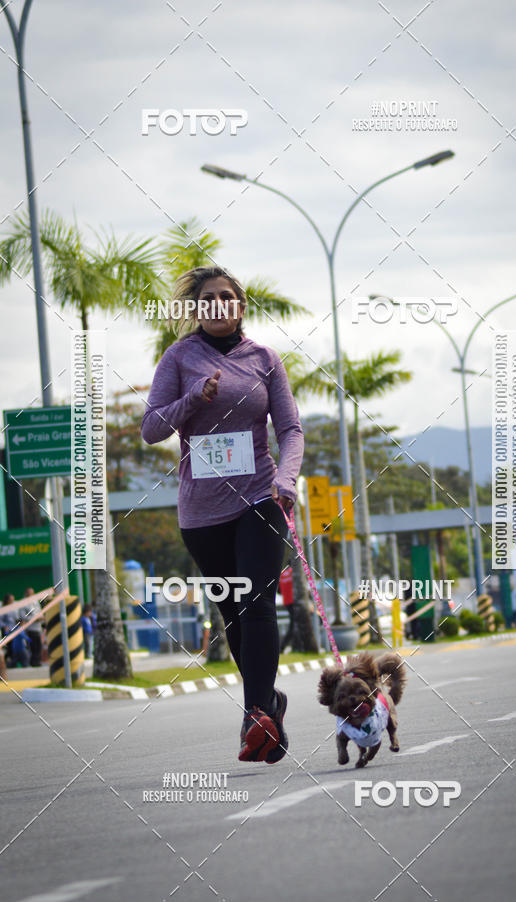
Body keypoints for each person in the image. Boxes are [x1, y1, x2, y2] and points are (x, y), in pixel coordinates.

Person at [141, 265, 304, 764]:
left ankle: (257, 714)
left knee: (257, 602)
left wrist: (285, 480)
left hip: (259, 496)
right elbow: (151, 428)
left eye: (225, 297)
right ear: (195, 309)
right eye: (206, 298)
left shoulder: (264, 359)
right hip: (201, 512)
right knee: (233, 611)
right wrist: (194, 398)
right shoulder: (179, 357)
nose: (216, 305)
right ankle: (268, 700)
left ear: (240, 305)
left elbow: (291, 430)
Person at [18, 587, 43, 667]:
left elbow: (39, 612)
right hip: (30, 628)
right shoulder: (24, 603)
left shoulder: (35, 602)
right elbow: (23, 617)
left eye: (32, 593)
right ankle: (33, 663)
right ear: (26, 593)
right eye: (29, 593)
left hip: (38, 628)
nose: (31, 595)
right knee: (33, 646)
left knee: (38, 646)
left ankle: (37, 662)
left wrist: (41, 618)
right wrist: (34, 619)